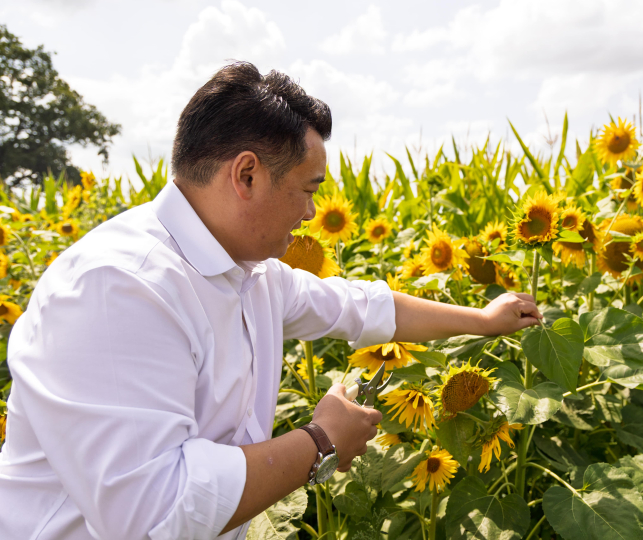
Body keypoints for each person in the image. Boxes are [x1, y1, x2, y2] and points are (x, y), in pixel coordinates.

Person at [0, 62, 542, 540]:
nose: (311, 213)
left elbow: (360, 307)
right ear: (247, 174)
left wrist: (484, 321)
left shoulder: (249, 273)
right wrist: (320, 441)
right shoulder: (120, 287)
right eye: (308, 190)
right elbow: (152, 514)